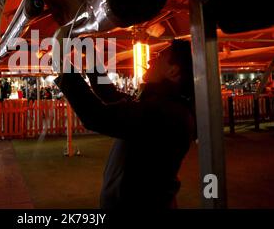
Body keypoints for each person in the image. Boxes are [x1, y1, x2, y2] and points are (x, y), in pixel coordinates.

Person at [55, 40, 196, 209]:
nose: (150, 61)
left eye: (159, 56)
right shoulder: (162, 105)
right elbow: (109, 94)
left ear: (173, 71)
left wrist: (64, 69)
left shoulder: (165, 112)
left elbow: (96, 116)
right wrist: (91, 56)